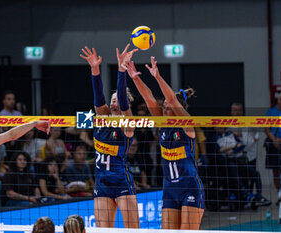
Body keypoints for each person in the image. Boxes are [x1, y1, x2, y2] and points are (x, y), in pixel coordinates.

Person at [126, 57, 203, 229]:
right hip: (169, 188)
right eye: (163, 107)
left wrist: (158, 77)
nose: (164, 109)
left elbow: (173, 100)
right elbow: (148, 98)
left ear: (177, 110)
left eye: (168, 107)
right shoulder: (162, 124)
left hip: (189, 186)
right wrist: (135, 78)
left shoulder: (186, 125)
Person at [80, 44, 139, 228]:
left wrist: (121, 69)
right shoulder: (102, 118)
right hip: (102, 182)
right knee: (103, 230)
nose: (113, 101)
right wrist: (95, 70)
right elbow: (98, 97)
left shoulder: (127, 123)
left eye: (117, 99)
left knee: (133, 230)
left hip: (121, 180)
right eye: (111, 98)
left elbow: (122, 97)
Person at [230, 103, 271, 207]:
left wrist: (256, 138)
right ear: (231, 112)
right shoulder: (228, 123)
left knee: (253, 177)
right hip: (236, 158)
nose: (237, 112)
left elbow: (260, 126)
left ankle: (255, 198)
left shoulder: (247, 121)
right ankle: (245, 198)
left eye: (239, 110)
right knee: (243, 177)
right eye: (235, 110)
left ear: (242, 112)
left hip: (250, 154)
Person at [265, 92, 281, 196]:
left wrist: (280, 141)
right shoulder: (271, 112)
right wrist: (274, 140)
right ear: (277, 100)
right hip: (274, 144)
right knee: (276, 172)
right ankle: (280, 195)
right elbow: (266, 128)